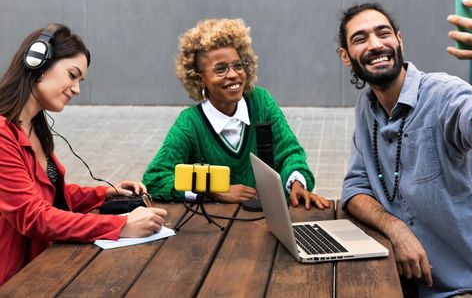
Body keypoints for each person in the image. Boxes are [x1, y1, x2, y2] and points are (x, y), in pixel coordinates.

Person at [338, 0, 472, 297]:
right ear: (346, 57)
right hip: (417, 285)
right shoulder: (367, 110)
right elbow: (355, 189)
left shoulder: (442, 94)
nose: (375, 44)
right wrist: (396, 229)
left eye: (383, 33)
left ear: (399, 40)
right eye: (360, 39)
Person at [0, 24, 167, 285]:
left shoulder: (34, 126)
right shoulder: (2, 135)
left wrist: (105, 193)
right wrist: (120, 227)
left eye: (80, 81)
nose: (76, 89)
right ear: (37, 63)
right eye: (72, 75)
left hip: (42, 264)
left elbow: (48, 195)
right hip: (15, 280)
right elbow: (33, 216)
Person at [143, 18, 329, 209]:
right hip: (217, 228)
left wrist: (296, 184)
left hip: (268, 219)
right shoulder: (190, 124)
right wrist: (215, 191)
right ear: (200, 79)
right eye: (221, 69)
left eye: (238, 65)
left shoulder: (261, 102)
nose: (233, 75)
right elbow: (156, 179)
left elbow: (289, 152)